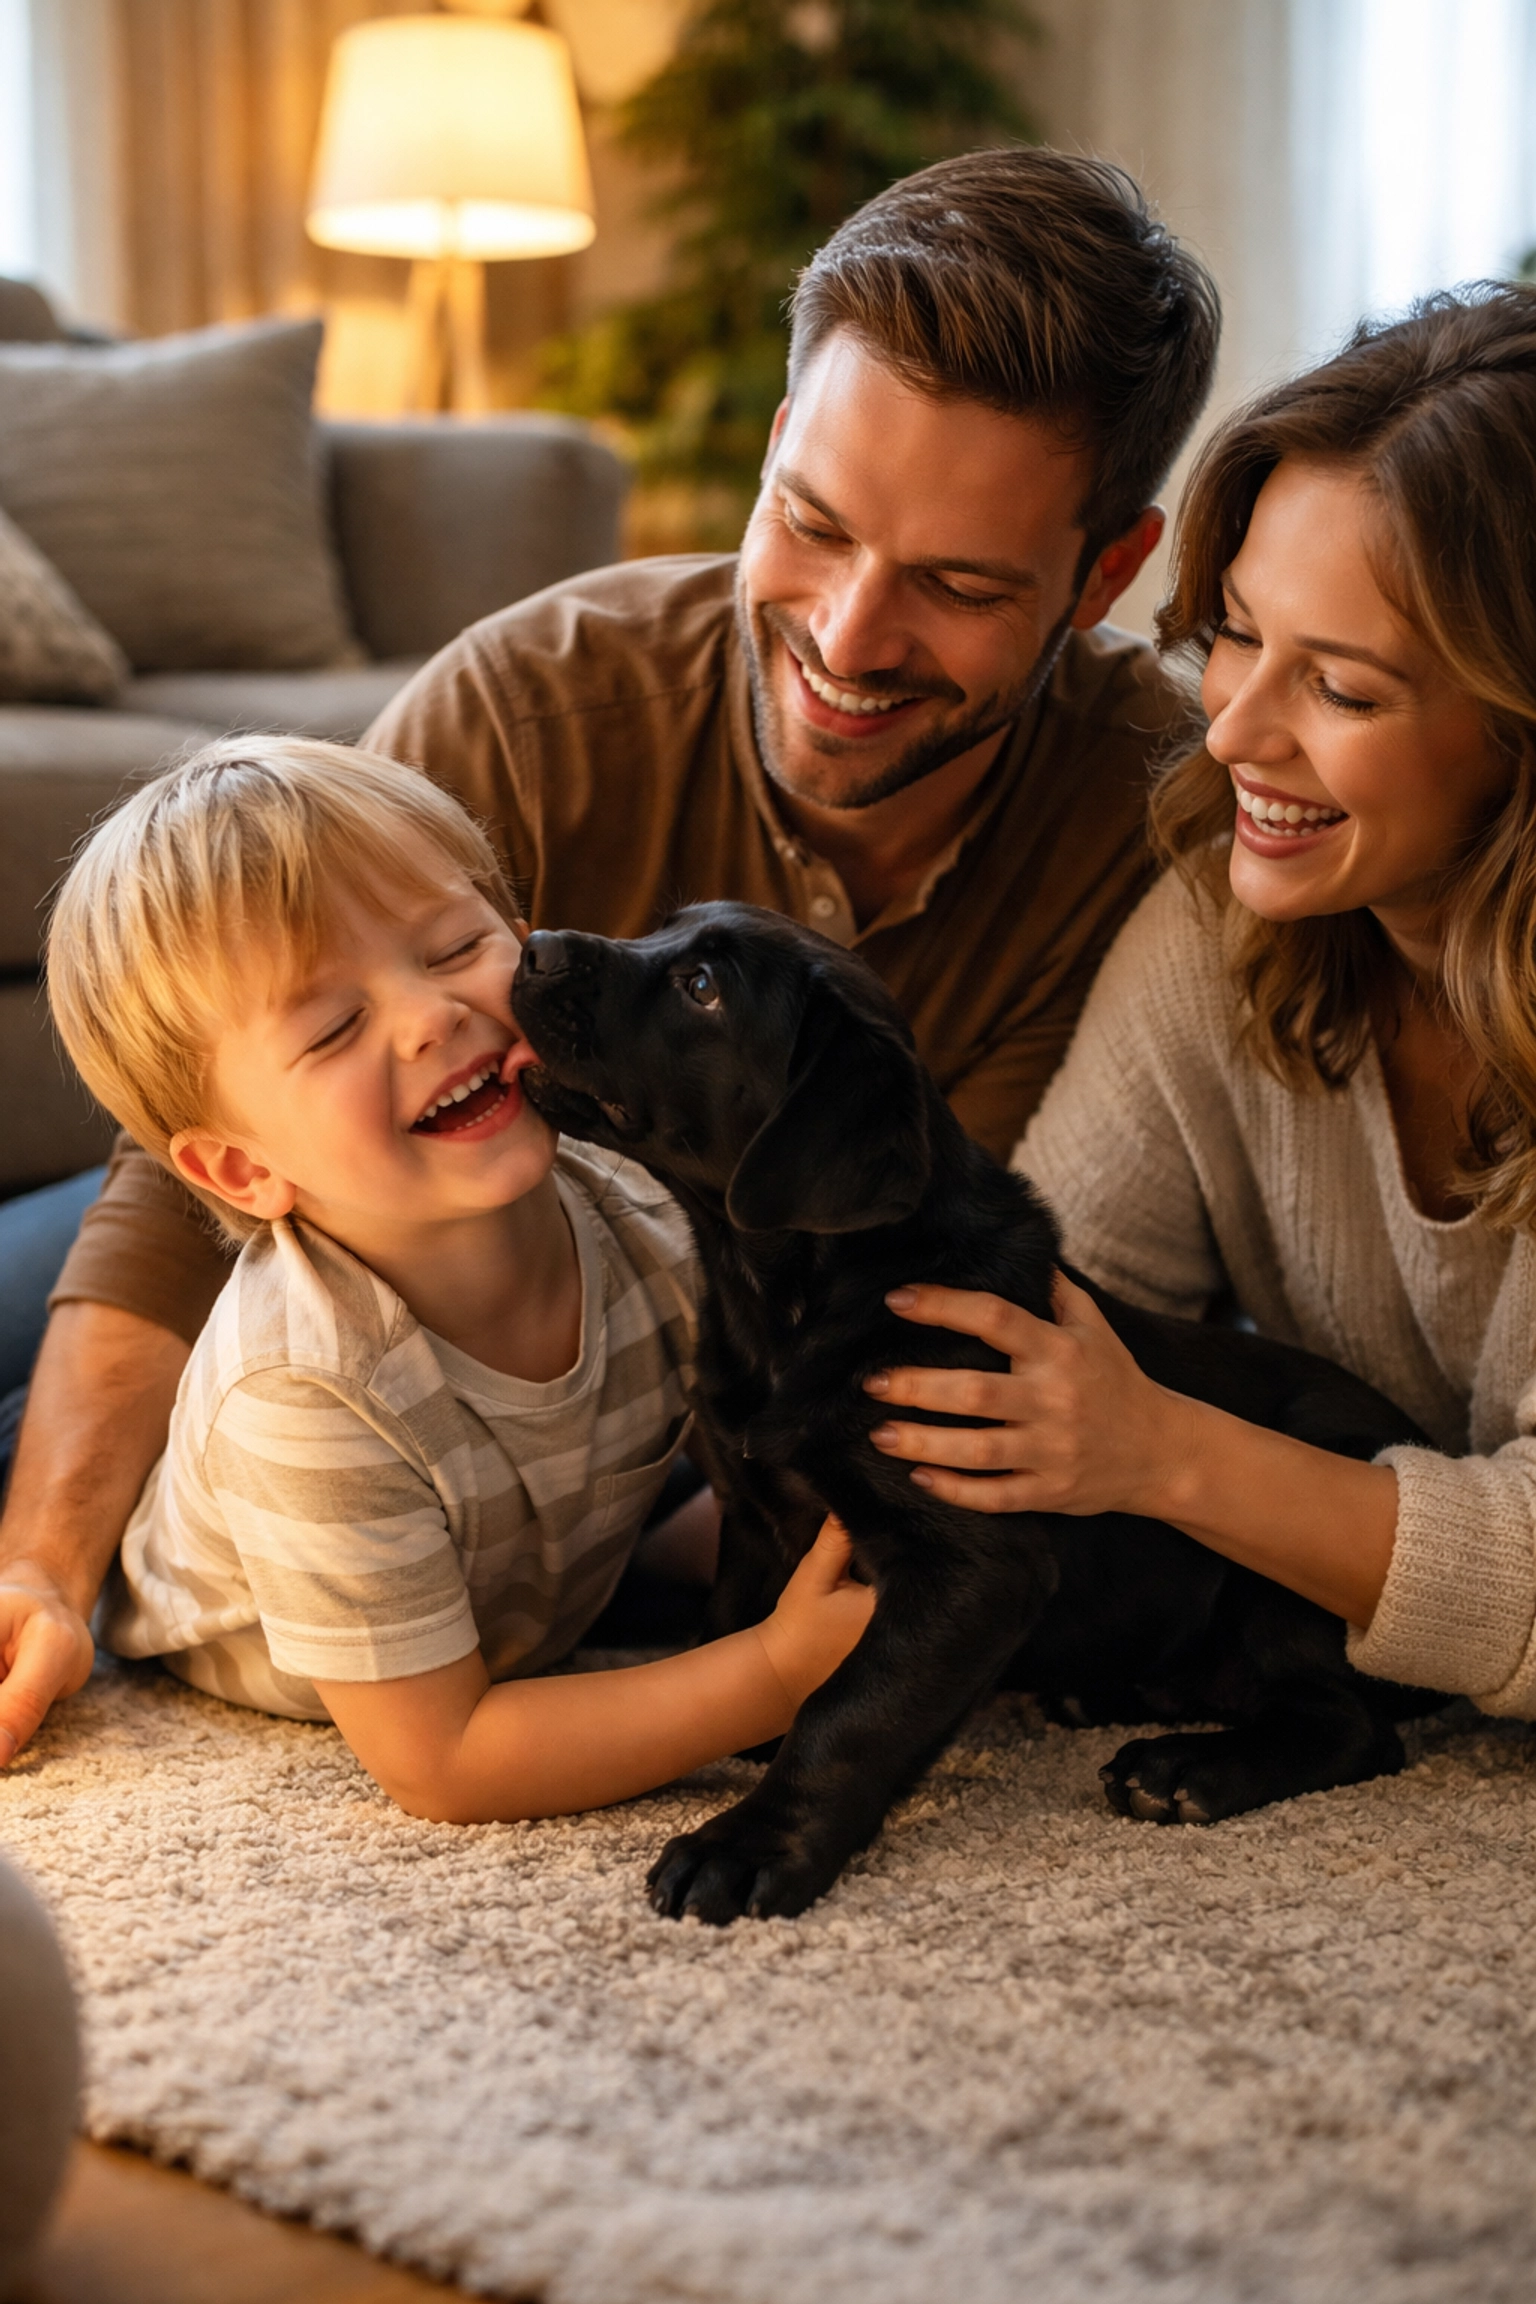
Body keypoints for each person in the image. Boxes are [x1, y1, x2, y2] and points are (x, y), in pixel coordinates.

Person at [0, 145, 1220, 1758]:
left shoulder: (1148, 822)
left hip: (589, 1345)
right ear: (778, 444)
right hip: (301, 1262)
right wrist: (45, 1565)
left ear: (1104, 578)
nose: (848, 639)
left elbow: (953, 1304)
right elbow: (177, 1167)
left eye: (954, 585)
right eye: (813, 523)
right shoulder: (535, 703)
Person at [863, 284, 1536, 1718]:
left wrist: (1166, 1454)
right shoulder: (1224, 922)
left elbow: (1108, 1420)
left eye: (1342, 691)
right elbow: (1039, 1335)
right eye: (1235, 634)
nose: (1231, 730)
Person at [41, 736, 873, 1815]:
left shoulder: (652, 1212)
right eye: (337, 1026)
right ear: (244, 1166)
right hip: (262, 1594)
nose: (432, 1017)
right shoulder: (302, 1390)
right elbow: (445, 1761)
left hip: (518, 1552)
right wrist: (772, 1671)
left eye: (452, 950)